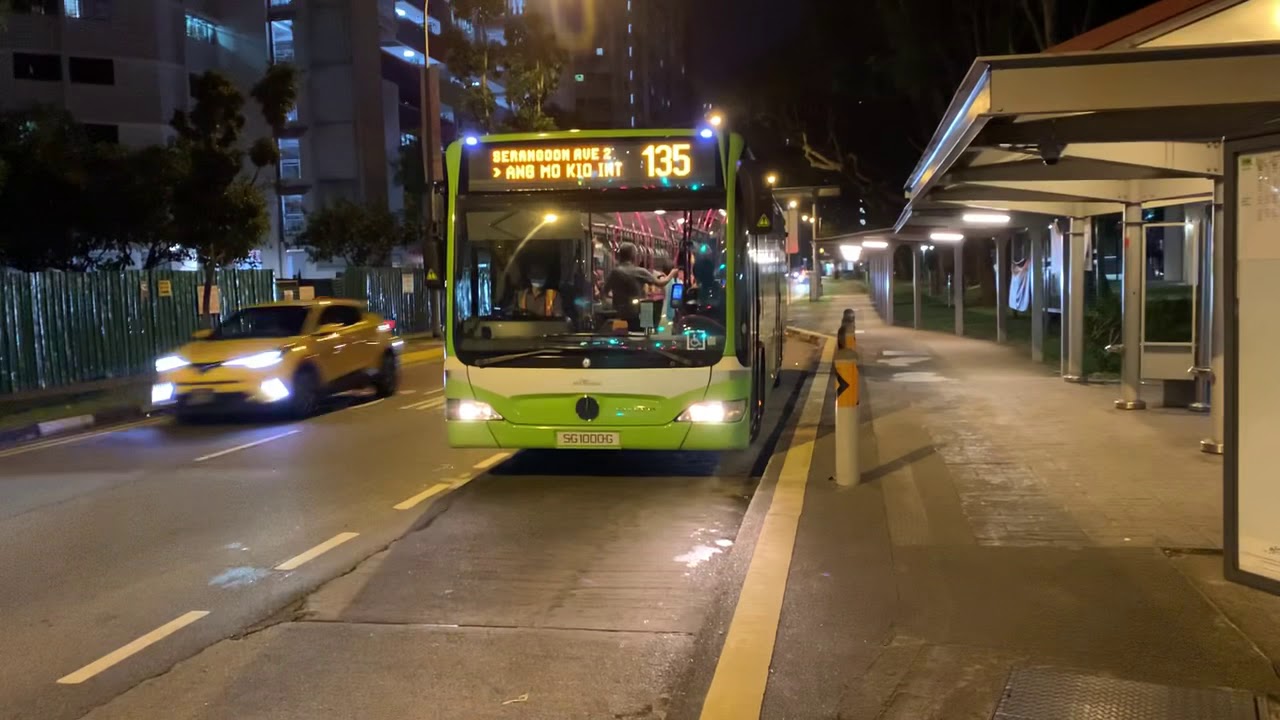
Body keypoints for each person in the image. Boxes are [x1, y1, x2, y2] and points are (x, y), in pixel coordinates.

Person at [604, 242, 678, 328]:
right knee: (647, 308)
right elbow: (661, 283)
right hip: (637, 313)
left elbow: (605, 292)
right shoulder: (640, 272)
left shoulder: (614, 272)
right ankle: (648, 334)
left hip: (619, 313)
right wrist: (672, 273)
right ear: (633, 257)